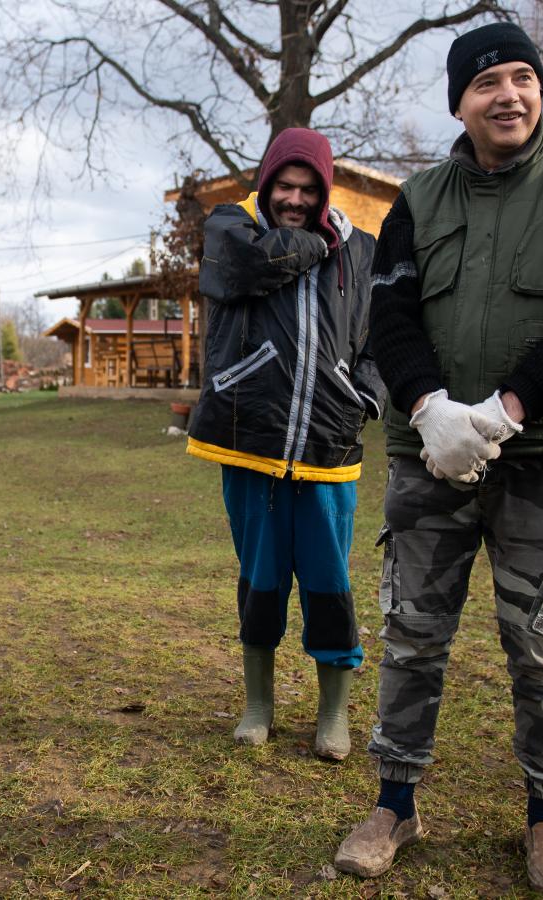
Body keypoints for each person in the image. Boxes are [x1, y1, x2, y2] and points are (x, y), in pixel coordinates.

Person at [332, 23, 543, 895]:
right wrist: (430, 410)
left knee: (541, 645)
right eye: (486, 83)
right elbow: (388, 318)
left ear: (539, 91)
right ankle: (395, 803)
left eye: (521, 78)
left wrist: (504, 411)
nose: (507, 94)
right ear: (458, 103)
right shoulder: (417, 202)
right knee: (412, 637)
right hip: (429, 455)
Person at [186, 127, 387, 762]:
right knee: (261, 578)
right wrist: (320, 238)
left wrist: (366, 396)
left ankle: (333, 714)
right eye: (284, 186)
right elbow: (245, 271)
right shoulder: (230, 229)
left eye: (308, 189)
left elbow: (382, 335)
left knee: (329, 582)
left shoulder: (363, 252)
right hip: (248, 437)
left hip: (330, 441)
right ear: (266, 181)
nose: (295, 200)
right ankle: (258, 704)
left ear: (325, 189)